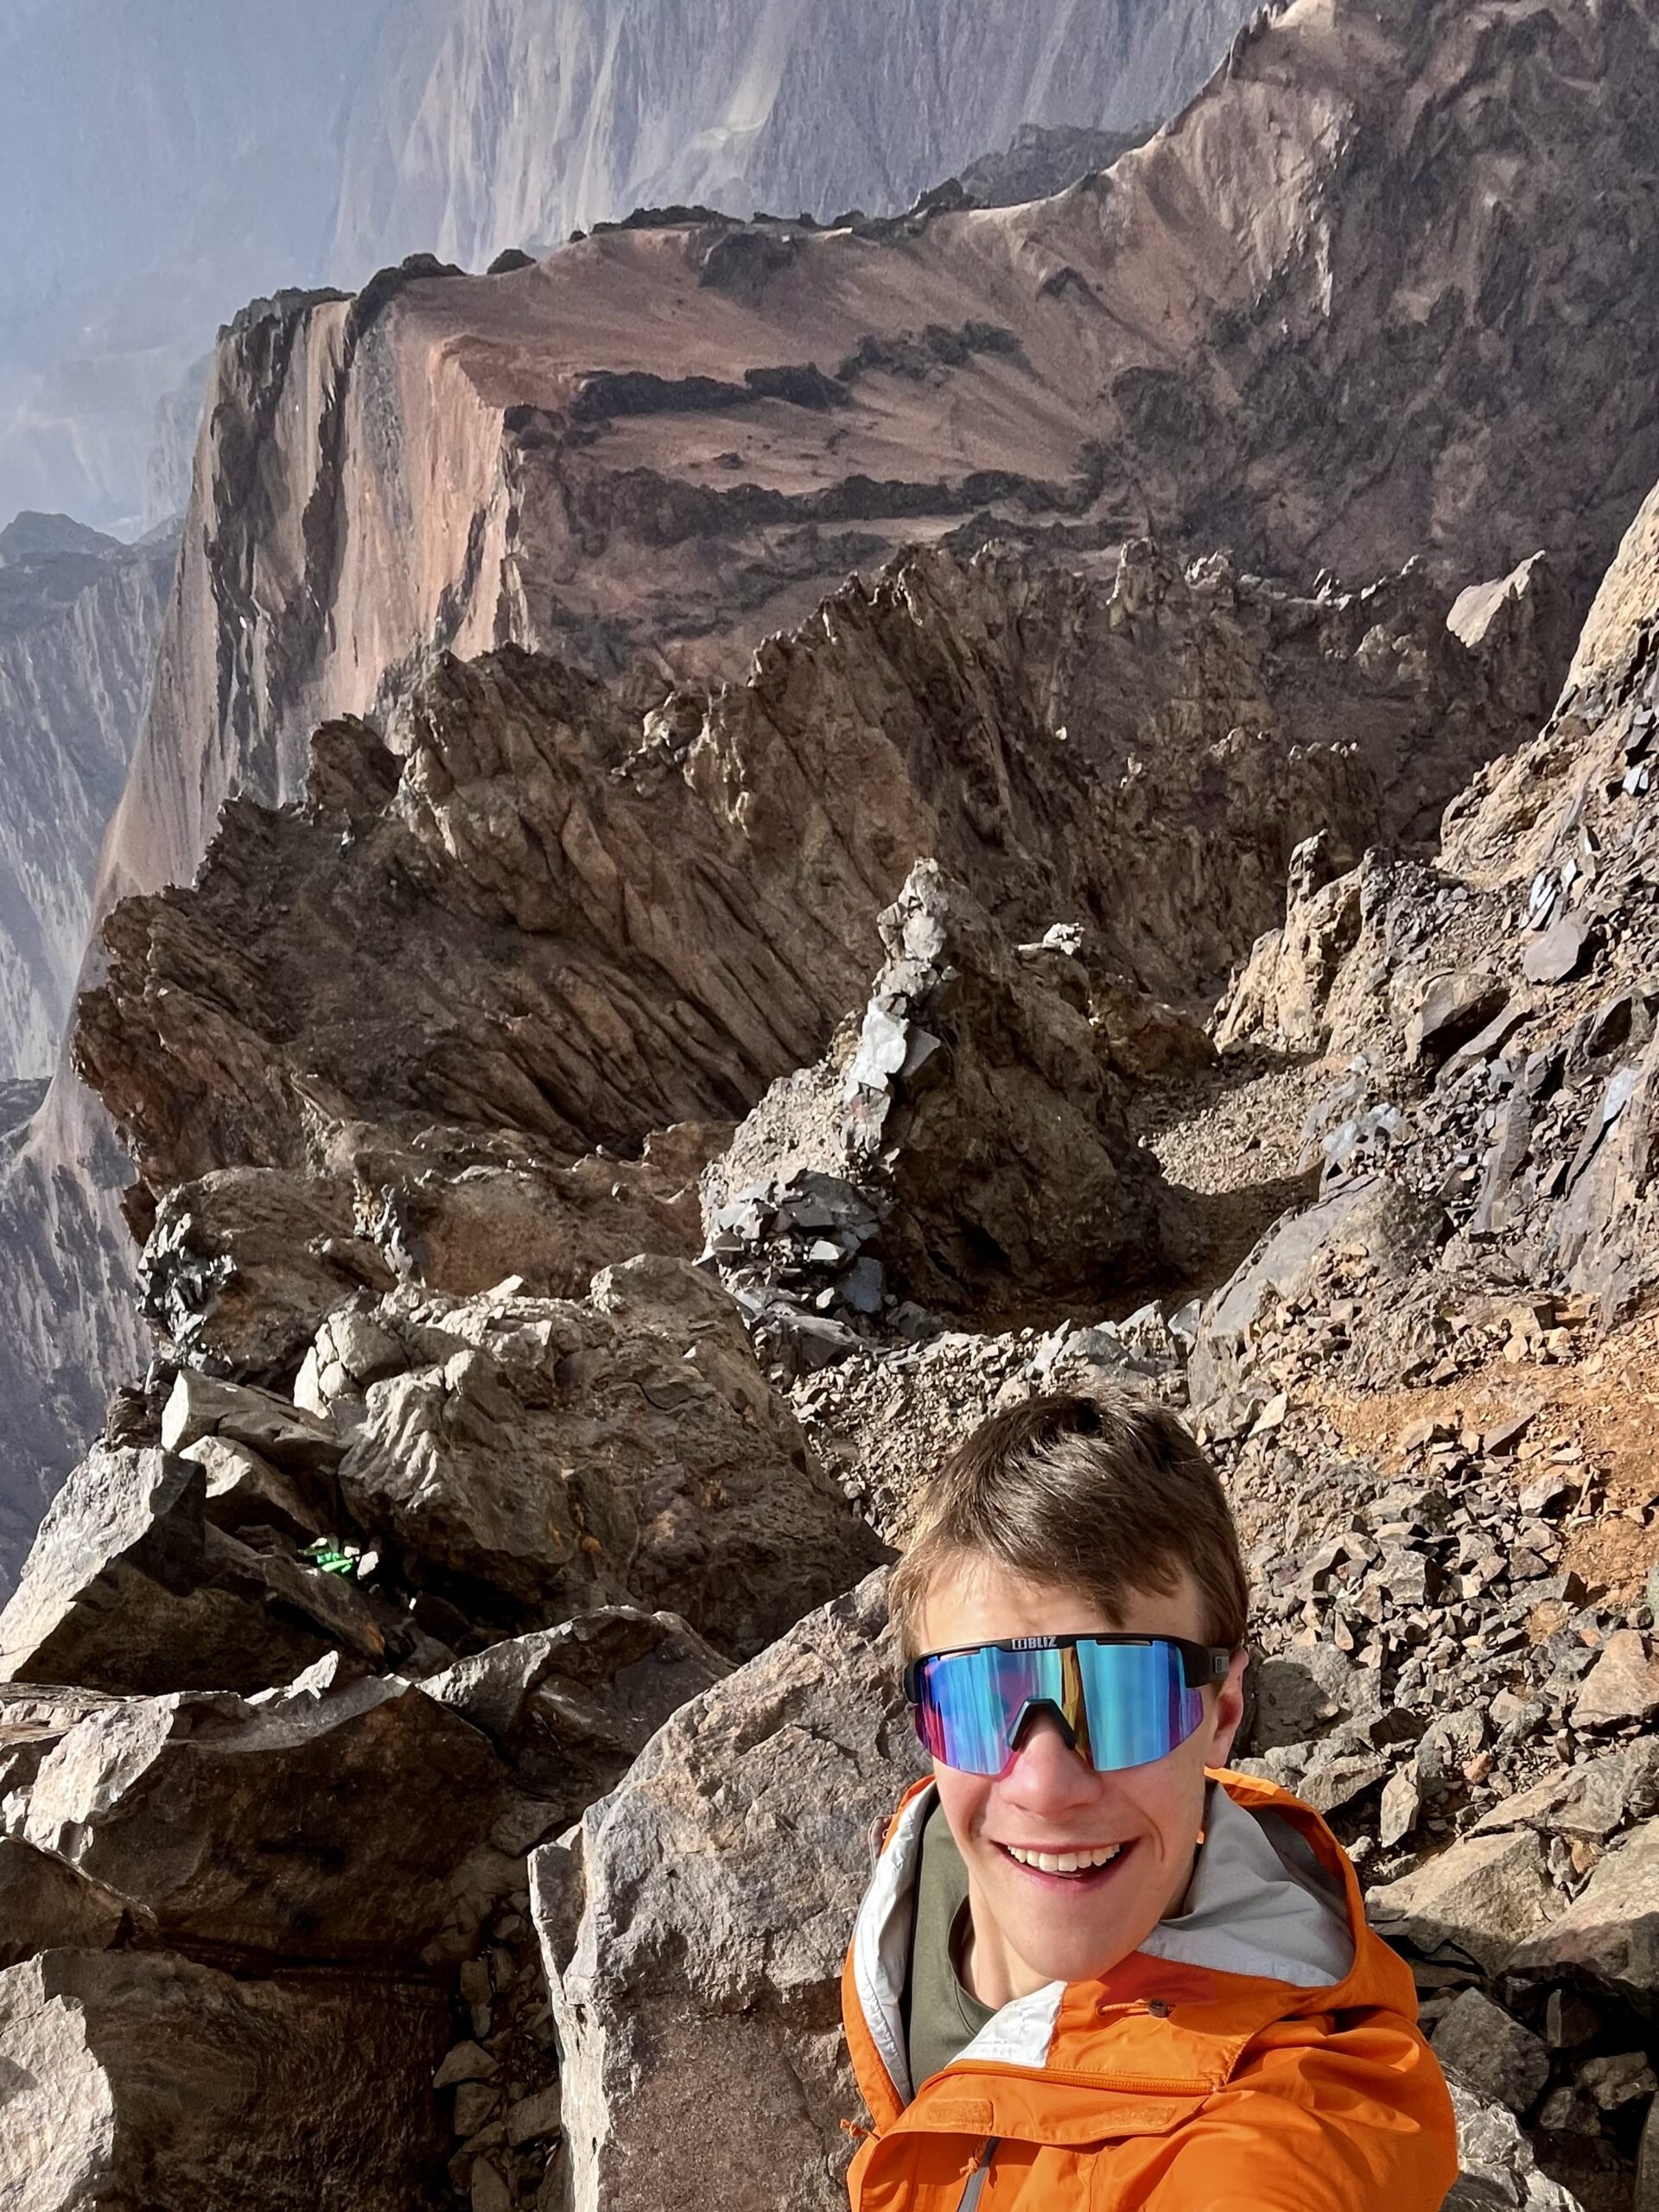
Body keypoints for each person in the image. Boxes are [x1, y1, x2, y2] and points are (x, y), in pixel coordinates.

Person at [840, 1392, 1458, 2210]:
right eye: (984, 1698)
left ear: (1223, 1713)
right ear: (930, 1717)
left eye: (1127, 1695)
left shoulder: (1278, 2121)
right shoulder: (925, 1855)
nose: (1043, 1787)